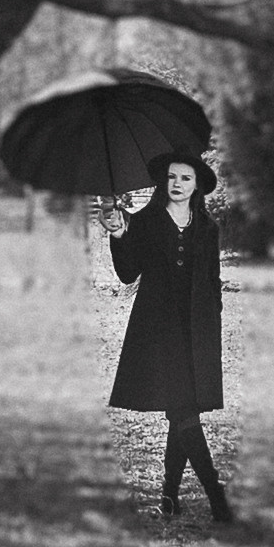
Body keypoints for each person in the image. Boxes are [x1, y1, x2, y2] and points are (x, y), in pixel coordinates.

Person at [108, 150, 233, 523]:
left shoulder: (207, 228)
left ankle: (170, 497)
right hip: (158, 330)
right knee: (183, 412)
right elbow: (128, 272)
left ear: (196, 186)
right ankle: (217, 498)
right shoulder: (145, 221)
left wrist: (214, 321)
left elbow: (213, 281)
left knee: (183, 412)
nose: (177, 184)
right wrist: (118, 232)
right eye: (172, 177)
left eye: (185, 178)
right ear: (164, 182)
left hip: (198, 330)